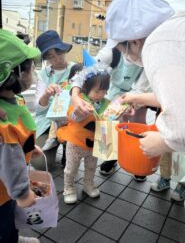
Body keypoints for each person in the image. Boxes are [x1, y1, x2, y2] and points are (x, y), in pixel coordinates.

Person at [104, 0, 185, 242]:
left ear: (134, 40)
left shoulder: (159, 41)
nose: (126, 55)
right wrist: (135, 98)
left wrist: (160, 141)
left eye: (121, 48)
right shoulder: (184, 29)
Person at [71, 43, 152, 181]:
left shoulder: (149, 54)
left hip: (138, 93)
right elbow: (86, 72)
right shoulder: (111, 53)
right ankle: (112, 156)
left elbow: (141, 88)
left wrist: (130, 103)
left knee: (137, 124)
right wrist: (74, 95)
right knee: (111, 123)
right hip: (112, 90)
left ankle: (138, 160)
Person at [0, 29, 43, 243]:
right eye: (30, 68)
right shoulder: (3, 123)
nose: (33, 73)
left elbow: (14, 145)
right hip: (2, 193)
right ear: (13, 73)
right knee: (4, 224)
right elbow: (9, 163)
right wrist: (23, 194)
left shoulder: (9, 102)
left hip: (5, 190)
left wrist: (28, 147)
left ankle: (13, 238)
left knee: (10, 220)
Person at [122, 92, 185, 202]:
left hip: (184, 120)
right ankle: (165, 178)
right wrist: (138, 100)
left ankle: (183, 183)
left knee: (182, 154)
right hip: (163, 118)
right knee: (164, 151)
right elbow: (162, 95)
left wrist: (137, 98)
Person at [57, 64, 110, 204]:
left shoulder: (104, 103)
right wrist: (80, 112)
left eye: (104, 91)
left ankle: (88, 185)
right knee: (71, 168)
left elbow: (108, 120)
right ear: (86, 88)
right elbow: (72, 118)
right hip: (76, 142)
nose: (101, 94)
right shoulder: (78, 100)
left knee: (91, 166)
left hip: (94, 143)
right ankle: (68, 188)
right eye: (97, 91)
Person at [31, 30, 74, 170]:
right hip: (48, 122)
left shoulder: (76, 69)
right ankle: (55, 143)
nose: (57, 59)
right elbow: (38, 107)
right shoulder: (43, 75)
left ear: (64, 50)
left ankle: (67, 149)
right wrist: (46, 94)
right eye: (51, 56)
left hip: (72, 120)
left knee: (73, 160)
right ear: (46, 59)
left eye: (59, 53)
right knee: (39, 163)